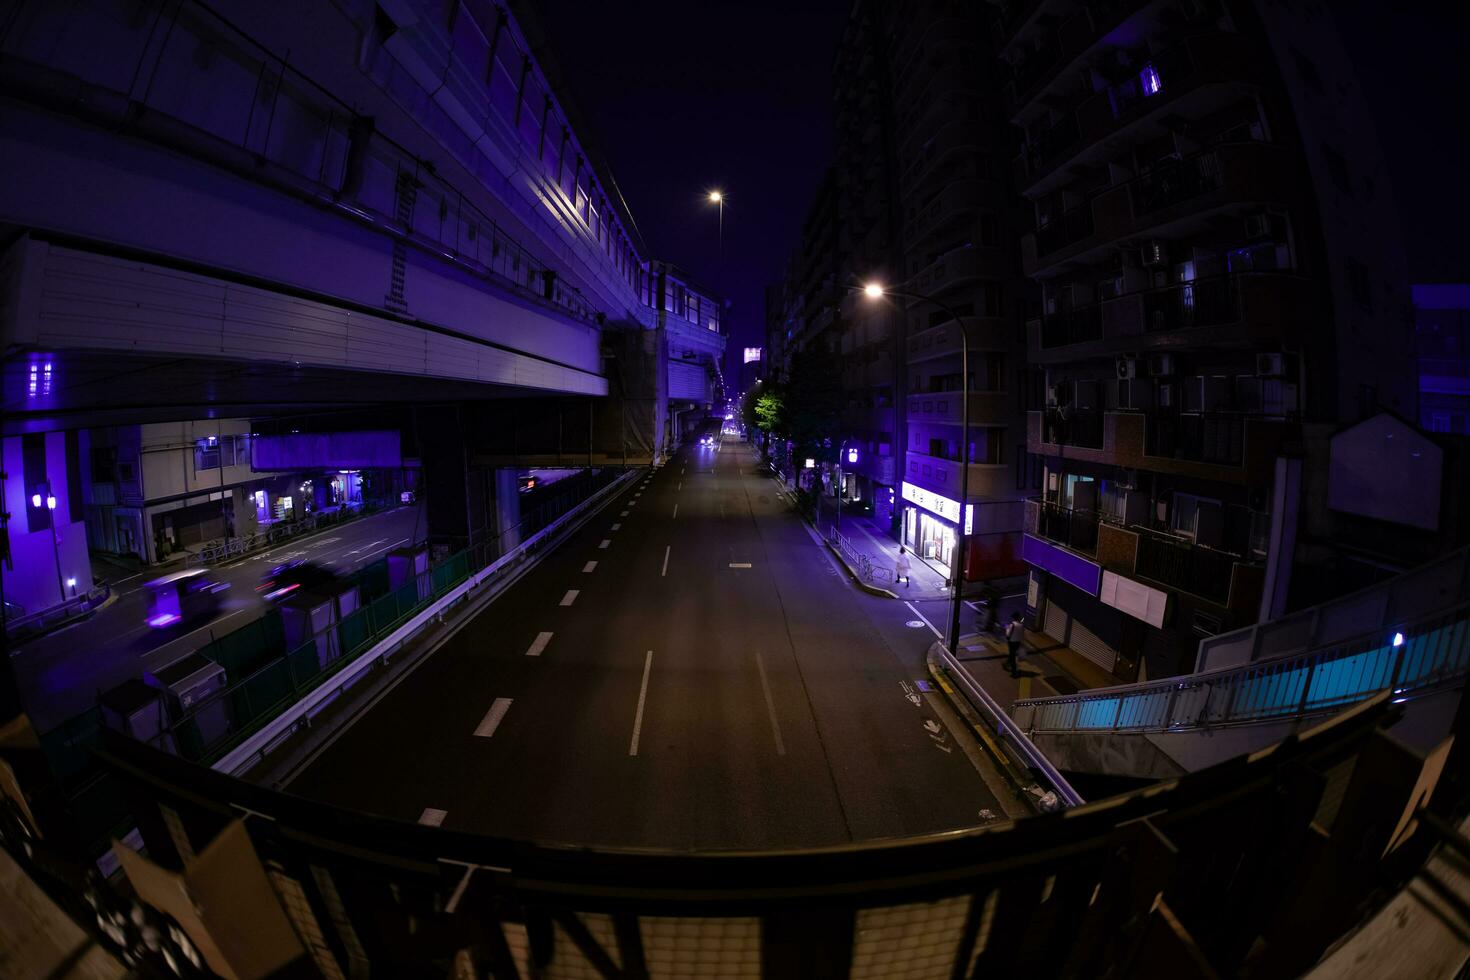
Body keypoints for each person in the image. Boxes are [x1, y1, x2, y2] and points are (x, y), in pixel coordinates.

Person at [1004, 612, 1025, 677]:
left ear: (1013, 618)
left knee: (1012, 656)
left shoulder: (1012, 625)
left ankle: (1014, 672)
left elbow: (1008, 634)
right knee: (1013, 655)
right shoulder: (1021, 625)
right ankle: (1007, 663)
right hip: (1018, 642)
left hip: (1012, 642)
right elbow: (1022, 635)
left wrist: (1007, 628)